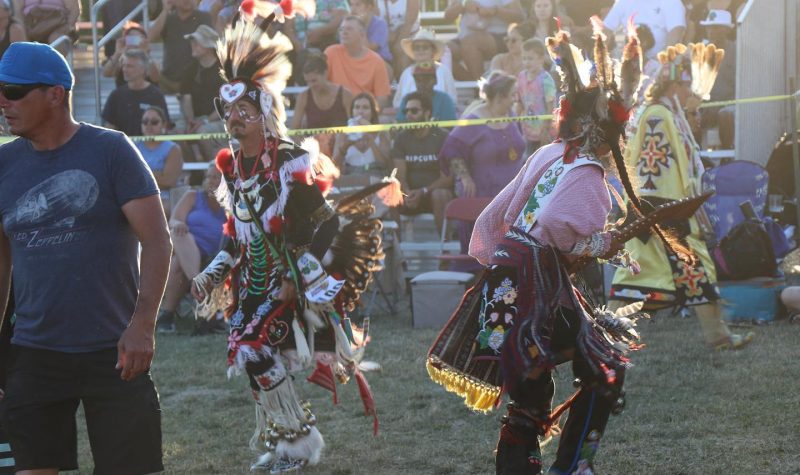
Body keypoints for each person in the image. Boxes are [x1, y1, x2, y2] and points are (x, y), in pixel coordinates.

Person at [428, 25, 672, 474]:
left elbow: (494, 217)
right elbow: (560, 225)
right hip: (536, 286)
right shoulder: (587, 171)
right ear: (606, 133)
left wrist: (520, 253)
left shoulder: (548, 153)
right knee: (605, 372)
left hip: (508, 278)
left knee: (530, 395)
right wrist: (602, 242)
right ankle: (574, 467)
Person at [189, 7, 381, 471]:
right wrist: (210, 274)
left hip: (289, 278)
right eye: (228, 112)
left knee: (256, 351)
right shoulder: (232, 170)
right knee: (252, 358)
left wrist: (302, 278)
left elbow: (329, 222)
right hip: (252, 286)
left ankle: (298, 444)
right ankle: (284, 443)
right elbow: (234, 237)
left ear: (263, 113)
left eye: (244, 111)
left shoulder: (289, 162)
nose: (234, 119)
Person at [0, 42, 170, 474]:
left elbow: (157, 240)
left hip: (113, 351)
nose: (4, 101)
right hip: (35, 352)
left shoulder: (111, 150)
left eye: (14, 91)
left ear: (55, 94)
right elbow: (1, 262)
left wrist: (142, 325)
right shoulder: (3, 164)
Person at [609, 42, 754, 351]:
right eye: (686, 86)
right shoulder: (658, 115)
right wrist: (668, 212)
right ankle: (604, 336)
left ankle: (719, 336)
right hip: (657, 212)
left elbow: (680, 166)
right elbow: (652, 172)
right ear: (674, 86)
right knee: (636, 282)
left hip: (669, 211)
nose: (690, 91)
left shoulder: (667, 113)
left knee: (696, 270)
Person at [439, 70, 525, 265]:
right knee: (484, 257)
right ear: (501, 96)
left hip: (511, 196)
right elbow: (451, 148)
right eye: (512, 94)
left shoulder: (510, 116)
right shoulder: (474, 120)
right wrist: (465, 176)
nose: (514, 99)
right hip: (482, 194)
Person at [157, 161, 226, 333]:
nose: (210, 181)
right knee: (179, 234)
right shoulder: (192, 195)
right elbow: (174, 219)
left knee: (178, 263)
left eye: (216, 177)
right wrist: (179, 223)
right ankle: (200, 287)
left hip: (217, 255)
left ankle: (167, 316)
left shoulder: (232, 202)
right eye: (208, 177)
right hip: (190, 248)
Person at [392, 92, 453, 233]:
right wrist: (407, 193)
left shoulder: (442, 136)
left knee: (440, 195)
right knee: (389, 195)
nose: (409, 115)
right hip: (410, 195)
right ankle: (396, 250)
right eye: (406, 111)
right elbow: (399, 175)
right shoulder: (401, 138)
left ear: (427, 112)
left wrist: (423, 192)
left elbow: (448, 178)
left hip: (433, 194)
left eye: (414, 111)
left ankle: (446, 247)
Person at [290, 52, 353, 158]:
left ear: (325, 74)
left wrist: (341, 145)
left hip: (341, 149)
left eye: (314, 81)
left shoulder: (345, 94)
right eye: (307, 82)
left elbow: (354, 126)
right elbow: (295, 130)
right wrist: (309, 148)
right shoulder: (304, 96)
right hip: (315, 150)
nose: (311, 85)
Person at [180, 24, 227, 162]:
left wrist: (204, 121)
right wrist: (191, 121)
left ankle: (214, 170)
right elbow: (186, 98)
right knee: (179, 133)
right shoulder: (190, 69)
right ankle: (196, 171)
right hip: (197, 120)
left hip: (221, 120)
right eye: (192, 42)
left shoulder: (224, 70)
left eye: (197, 42)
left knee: (202, 132)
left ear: (209, 46)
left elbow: (226, 103)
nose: (192, 45)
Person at [444, 0, 524, 80]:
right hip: (464, 38)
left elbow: (520, 16)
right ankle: (475, 83)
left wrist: (496, 10)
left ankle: (479, 87)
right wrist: (463, 4)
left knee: (470, 43)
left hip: (500, 38)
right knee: (442, 51)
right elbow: (447, 17)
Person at [324, 16, 392, 108]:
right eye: (341, 29)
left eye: (349, 29)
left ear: (362, 34)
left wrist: (372, 117)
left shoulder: (376, 61)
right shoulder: (330, 53)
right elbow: (321, 85)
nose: (344, 32)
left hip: (364, 112)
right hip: (336, 110)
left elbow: (382, 98)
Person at [147, 0, 213, 93]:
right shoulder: (168, 18)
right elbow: (150, 37)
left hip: (195, 80)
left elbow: (210, 44)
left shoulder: (204, 17)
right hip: (169, 80)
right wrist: (165, 10)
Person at [102, 49, 170, 137]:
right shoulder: (116, 95)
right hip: (124, 147)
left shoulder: (156, 95)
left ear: (142, 69)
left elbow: (165, 126)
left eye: (130, 66)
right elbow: (109, 126)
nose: (125, 69)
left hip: (150, 146)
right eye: (124, 66)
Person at [136, 106, 184, 215]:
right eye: (145, 122)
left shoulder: (173, 149)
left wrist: (142, 176)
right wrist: (156, 175)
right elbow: (128, 179)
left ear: (163, 124)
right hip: (136, 195)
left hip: (163, 197)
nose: (148, 125)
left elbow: (169, 181)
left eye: (154, 122)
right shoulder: (133, 146)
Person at [393, 29, 457, 110]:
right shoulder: (406, 73)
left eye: (425, 47)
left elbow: (452, 100)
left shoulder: (444, 71)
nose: (421, 50)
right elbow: (398, 102)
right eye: (417, 48)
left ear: (433, 50)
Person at [332, 92, 391, 176]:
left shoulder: (381, 133)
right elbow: (334, 165)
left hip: (376, 175)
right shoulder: (343, 134)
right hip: (350, 177)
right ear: (352, 112)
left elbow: (385, 165)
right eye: (357, 107)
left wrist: (370, 140)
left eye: (365, 108)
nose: (360, 112)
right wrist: (345, 146)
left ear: (372, 112)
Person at [515, 37, 556, 156]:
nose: (527, 62)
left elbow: (550, 106)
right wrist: (516, 121)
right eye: (524, 58)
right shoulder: (521, 77)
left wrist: (546, 129)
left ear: (541, 59)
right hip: (527, 129)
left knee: (543, 158)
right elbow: (519, 101)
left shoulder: (545, 79)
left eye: (530, 59)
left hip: (544, 131)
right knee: (528, 159)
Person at [604, 0, 686, 58]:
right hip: (623, 59)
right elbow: (606, 30)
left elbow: (676, 33)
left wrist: (659, 61)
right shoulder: (623, 2)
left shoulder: (672, 2)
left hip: (656, 63)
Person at [102, 21, 161, 88]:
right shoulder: (121, 63)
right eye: (131, 39)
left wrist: (146, 54)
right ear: (125, 41)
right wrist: (117, 53)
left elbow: (156, 78)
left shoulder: (151, 62)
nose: (135, 43)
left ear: (144, 41)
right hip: (124, 97)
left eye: (138, 39)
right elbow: (106, 73)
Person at [377, 0, 419, 77]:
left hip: (409, 35)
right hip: (386, 36)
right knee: (377, 51)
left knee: (401, 49)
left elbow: (409, 24)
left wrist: (398, 39)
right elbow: (375, 23)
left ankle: (403, 84)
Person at [350, 0, 393, 67]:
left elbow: (369, 50)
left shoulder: (380, 24)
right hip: (358, 62)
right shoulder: (348, 23)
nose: (353, 9)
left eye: (357, 5)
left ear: (368, 7)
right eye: (351, 5)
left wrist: (361, 25)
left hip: (381, 62)